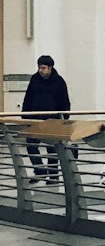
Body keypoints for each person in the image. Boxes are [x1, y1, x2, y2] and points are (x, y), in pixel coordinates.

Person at [22, 54, 71, 184]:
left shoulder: (59, 81)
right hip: (35, 119)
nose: (40, 70)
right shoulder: (34, 79)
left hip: (52, 120)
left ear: (50, 68)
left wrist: (63, 119)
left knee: (52, 148)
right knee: (31, 145)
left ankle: (53, 176)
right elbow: (28, 98)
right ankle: (40, 171)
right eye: (39, 67)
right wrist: (25, 116)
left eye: (43, 68)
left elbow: (64, 101)